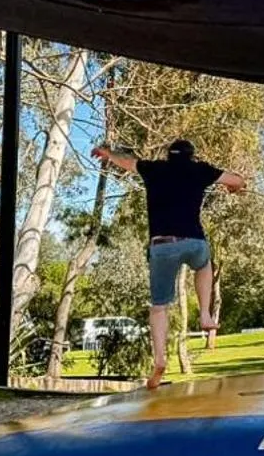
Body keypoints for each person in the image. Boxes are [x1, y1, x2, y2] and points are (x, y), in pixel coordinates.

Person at [93, 138, 245, 388]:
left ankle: (160, 360)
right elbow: (237, 179)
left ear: (168, 155)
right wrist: (234, 187)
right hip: (194, 242)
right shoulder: (200, 170)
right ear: (191, 155)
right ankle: (206, 315)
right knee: (204, 265)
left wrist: (107, 153)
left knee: (159, 307)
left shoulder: (153, 169)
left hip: (162, 245)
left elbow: (126, 162)